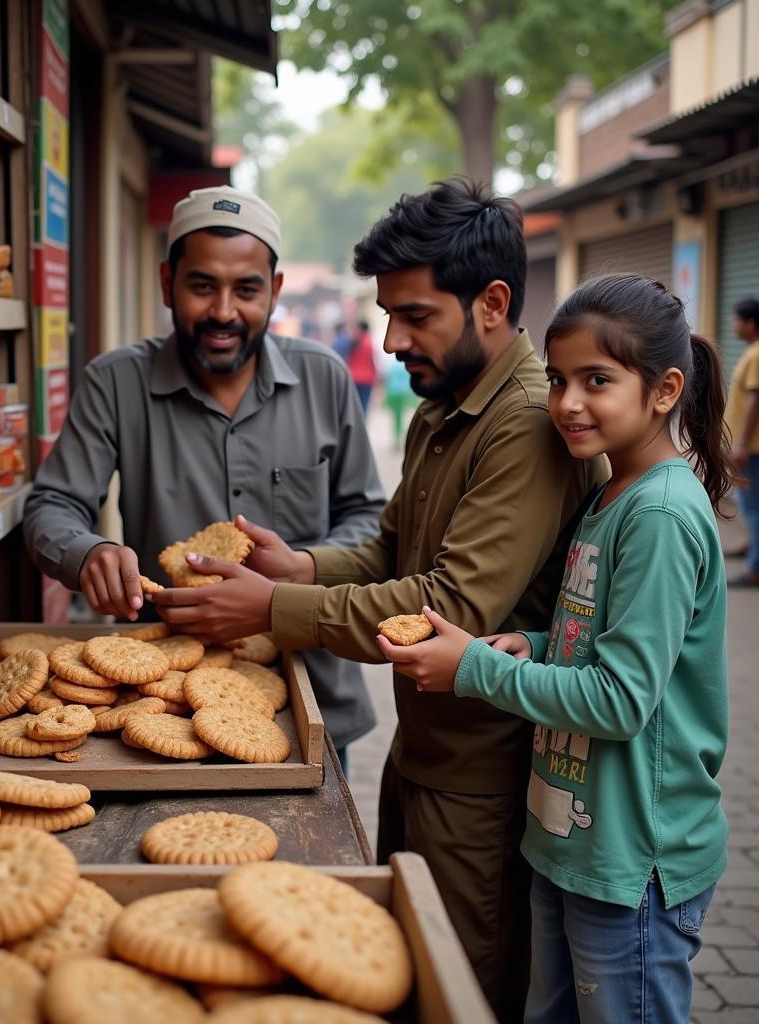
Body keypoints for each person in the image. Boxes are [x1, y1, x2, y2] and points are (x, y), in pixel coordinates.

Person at [151, 178, 604, 1023]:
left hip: (487, 779)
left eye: (415, 316)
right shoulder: (444, 409)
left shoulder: (527, 424)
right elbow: (390, 551)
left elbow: (449, 606)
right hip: (422, 755)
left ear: (492, 304)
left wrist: (269, 612)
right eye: (386, 314)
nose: (391, 340)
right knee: (401, 967)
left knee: (461, 990)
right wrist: (300, 570)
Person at [380, 274, 730, 1024]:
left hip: (631, 863)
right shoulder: (609, 497)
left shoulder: (661, 514)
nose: (567, 402)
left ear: (665, 390)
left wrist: (478, 669)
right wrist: (530, 642)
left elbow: (621, 697)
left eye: (597, 381)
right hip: (569, 842)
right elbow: (594, 639)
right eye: (561, 380)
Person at [23, 185, 385, 765]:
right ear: (168, 283)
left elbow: (369, 520)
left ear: (275, 290)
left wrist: (299, 574)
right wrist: (86, 552)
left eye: (246, 290)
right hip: (162, 704)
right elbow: (51, 506)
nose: (223, 312)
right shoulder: (115, 383)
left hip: (311, 692)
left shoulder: (326, 380)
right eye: (201, 286)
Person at [723, 296, 759, 580]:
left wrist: (741, 443)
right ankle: (752, 547)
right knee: (750, 502)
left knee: (752, 504)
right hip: (751, 445)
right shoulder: (753, 352)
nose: (734, 325)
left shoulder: (757, 354)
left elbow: (754, 400)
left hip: (753, 447)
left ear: (751, 324)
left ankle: (755, 568)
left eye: (737, 320)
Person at [345, 320, 379, 415]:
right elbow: (373, 361)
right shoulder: (369, 342)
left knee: (354, 405)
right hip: (367, 379)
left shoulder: (353, 340)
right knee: (364, 405)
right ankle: (363, 426)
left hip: (354, 377)